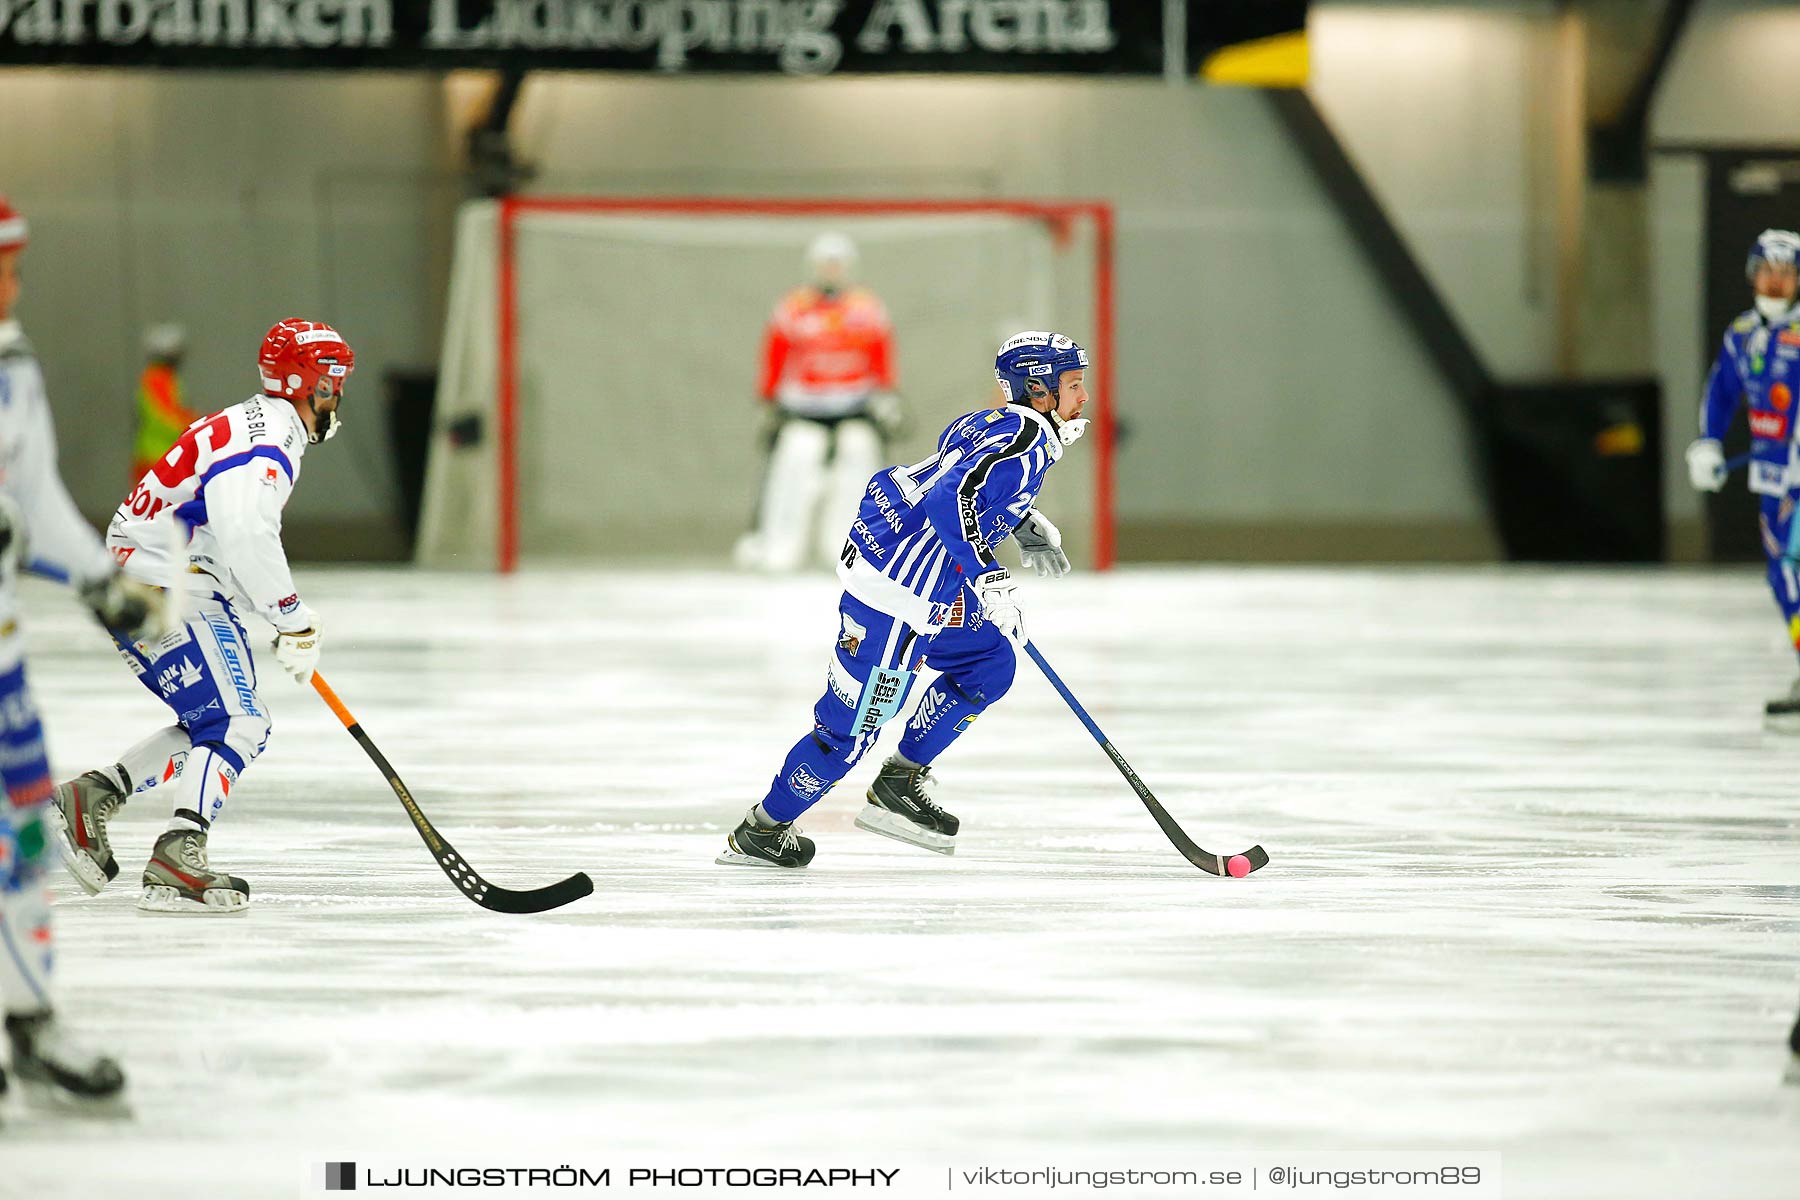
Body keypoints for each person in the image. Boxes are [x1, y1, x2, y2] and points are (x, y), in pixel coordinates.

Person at [719, 331, 1089, 868]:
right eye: (1073, 386)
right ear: (1039, 390)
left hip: (922, 584)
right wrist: (988, 575)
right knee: (848, 735)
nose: (1083, 399)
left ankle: (898, 782)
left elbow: (951, 478)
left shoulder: (994, 422)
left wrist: (1021, 520)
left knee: (988, 662)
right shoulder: (1026, 439)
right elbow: (949, 495)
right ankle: (763, 829)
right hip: (895, 598)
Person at [49, 319, 352, 914]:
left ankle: (90, 799)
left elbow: (216, 523)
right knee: (239, 721)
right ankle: (175, 858)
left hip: (152, 574)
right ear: (308, 384)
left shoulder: (251, 418)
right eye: (331, 383)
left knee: (222, 718)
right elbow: (245, 528)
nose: (335, 398)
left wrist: (267, 613)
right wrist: (290, 617)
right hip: (164, 580)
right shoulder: (276, 437)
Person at [0, 196, 167, 1101]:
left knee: (20, 835)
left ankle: (29, 1021)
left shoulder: (12, 367)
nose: (10, 287)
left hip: (0, 662)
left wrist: (101, 581)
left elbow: (37, 496)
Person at [735, 232, 904, 572]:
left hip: (854, 407)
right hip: (804, 408)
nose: (831, 270)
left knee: (859, 457)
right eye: (825, 264)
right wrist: (768, 399)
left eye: (837, 264)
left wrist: (887, 393)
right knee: (796, 456)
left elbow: (881, 354)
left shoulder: (867, 309)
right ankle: (780, 546)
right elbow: (775, 354)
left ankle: (848, 547)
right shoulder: (792, 308)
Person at [1686, 228, 1800, 716]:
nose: (1776, 282)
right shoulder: (1741, 334)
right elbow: (1722, 391)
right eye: (1768, 271)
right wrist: (1709, 441)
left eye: (1787, 273)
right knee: (1782, 576)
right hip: (1772, 476)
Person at [131, 323, 199, 484]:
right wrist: (195, 428)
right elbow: (165, 417)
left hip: (162, 457)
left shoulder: (165, 378)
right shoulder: (158, 379)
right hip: (157, 458)